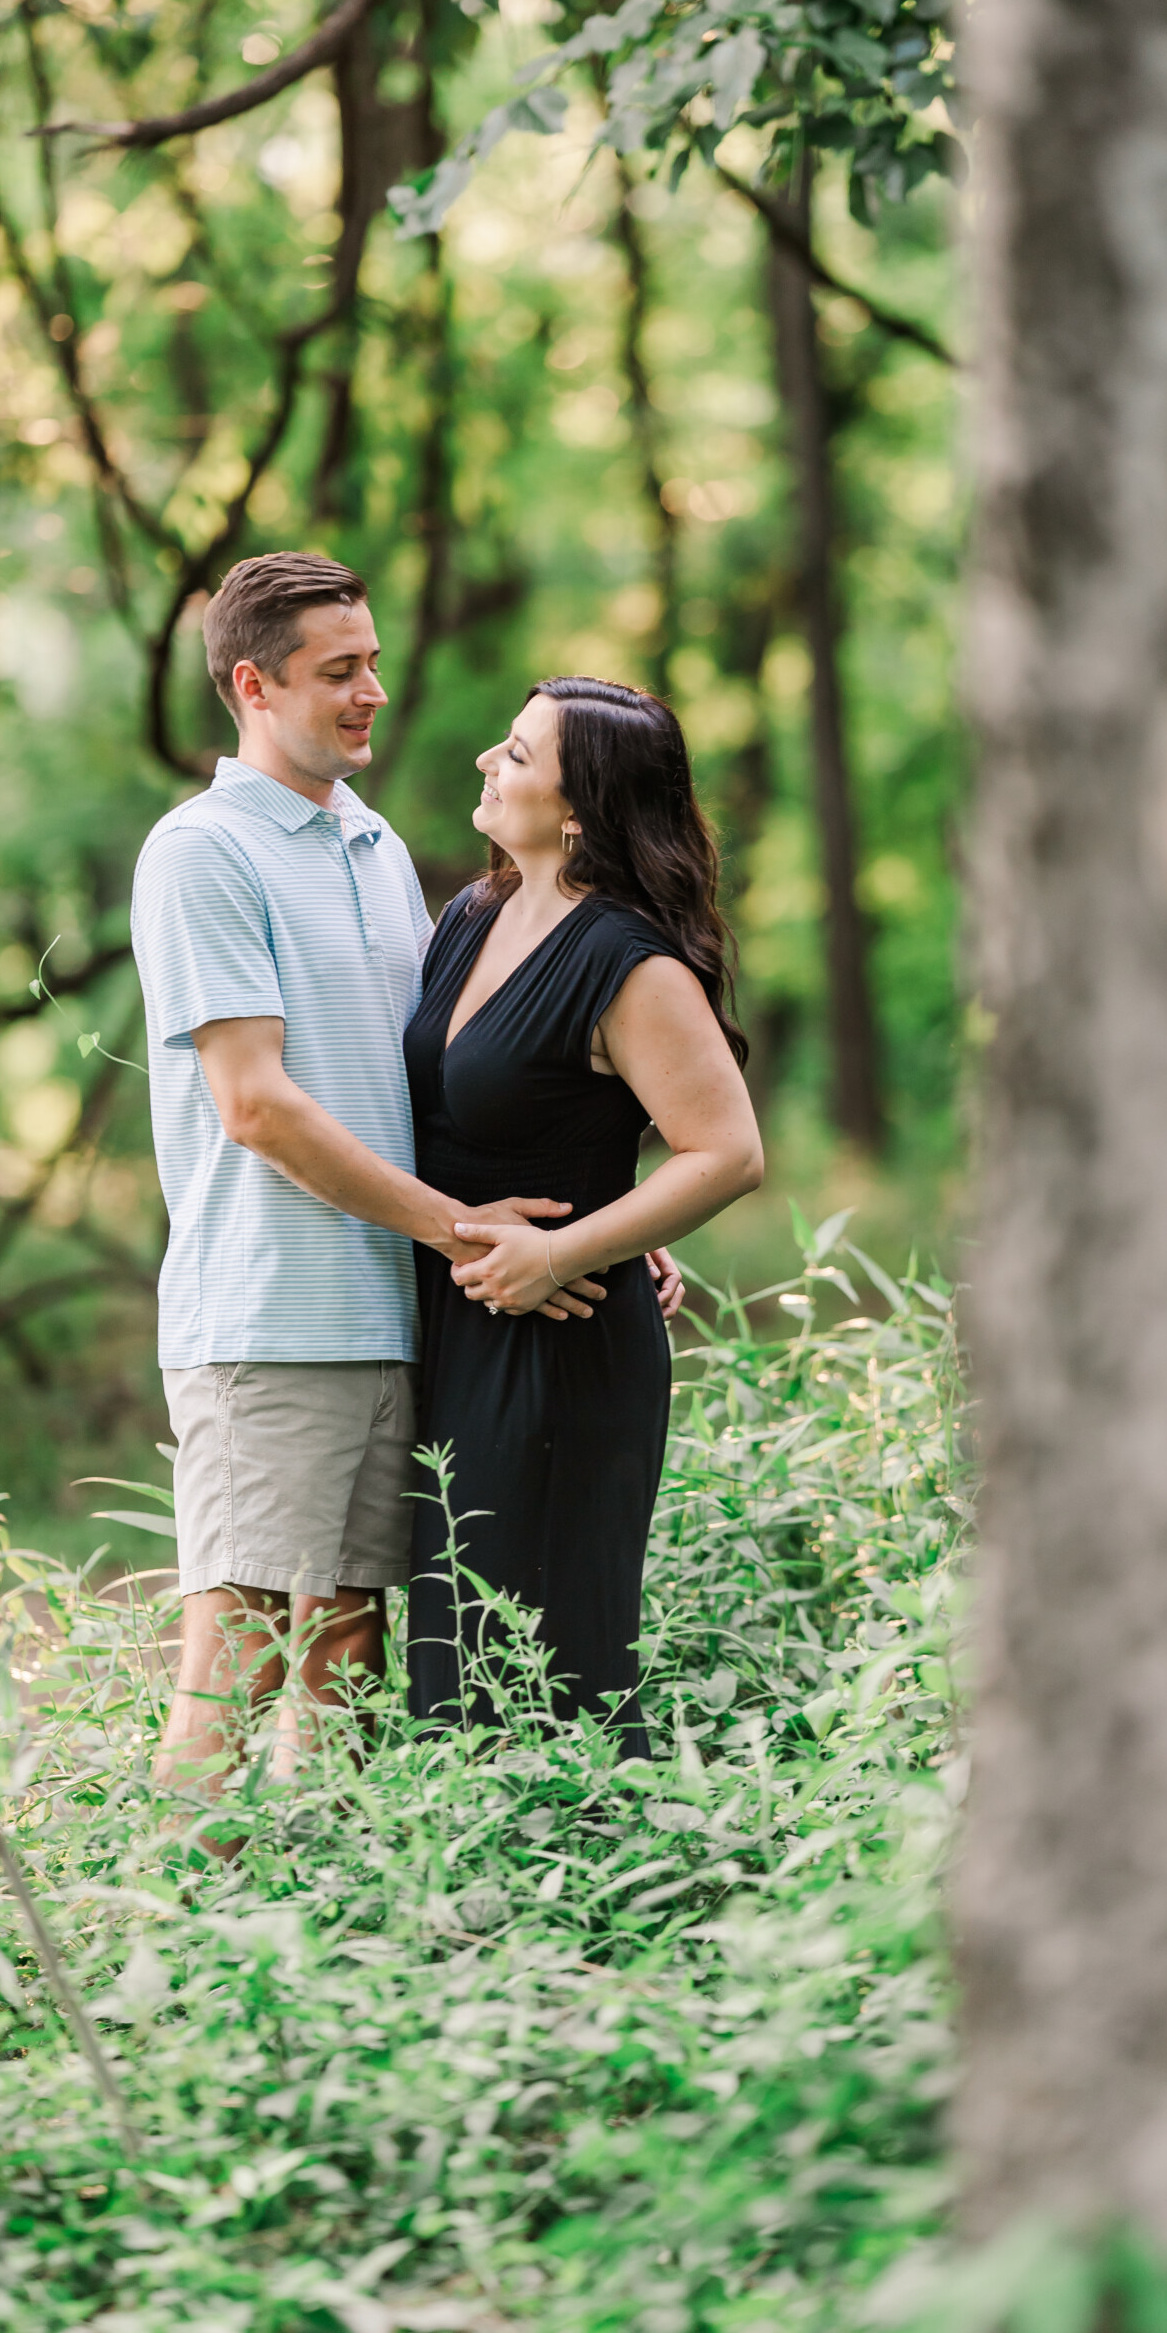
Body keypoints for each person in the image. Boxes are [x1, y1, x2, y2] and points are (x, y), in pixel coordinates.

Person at [129, 553, 676, 1818]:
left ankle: (310, 1940)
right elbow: (256, 1104)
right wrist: (468, 1231)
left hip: (402, 1319)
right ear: (253, 684)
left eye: (373, 660)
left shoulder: (375, 847)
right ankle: (164, 1953)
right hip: (273, 1321)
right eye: (340, 672)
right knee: (242, 1657)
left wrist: (597, 1224)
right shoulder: (201, 854)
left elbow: (428, 1084)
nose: (373, 690)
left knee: (350, 1655)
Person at [404, 677, 764, 1757]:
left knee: (543, 1661)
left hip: (559, 1338)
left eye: (514, 754)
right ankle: (465, 1913)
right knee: (453, 1646)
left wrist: (570, 1244)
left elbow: (729, 1150)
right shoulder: (478, 911)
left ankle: (600, 1906)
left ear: (576, 807)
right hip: (459, 1321)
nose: (485, 762)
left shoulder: (626, 959)